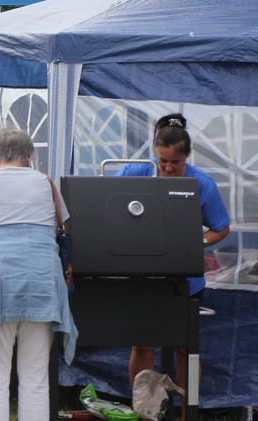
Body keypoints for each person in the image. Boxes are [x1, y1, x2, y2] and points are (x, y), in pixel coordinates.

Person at [0, 128, 77, 421]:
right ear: (30, 158)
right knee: (35, 379)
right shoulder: (45, 183)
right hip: (43, 284)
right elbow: (63, 229)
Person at [116, 113, 230, 409]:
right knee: (142, 346)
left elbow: (221, 227)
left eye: (175, 163)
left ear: (187, 157)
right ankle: (145, 412)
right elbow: (106, 198)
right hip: (142, 279)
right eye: (162, 161)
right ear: (155, 153)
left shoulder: (202, 184)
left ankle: (185, 414)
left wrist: (197, 242)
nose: (167, 168)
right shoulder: (136, 172)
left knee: (184, 349)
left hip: (186, 282)